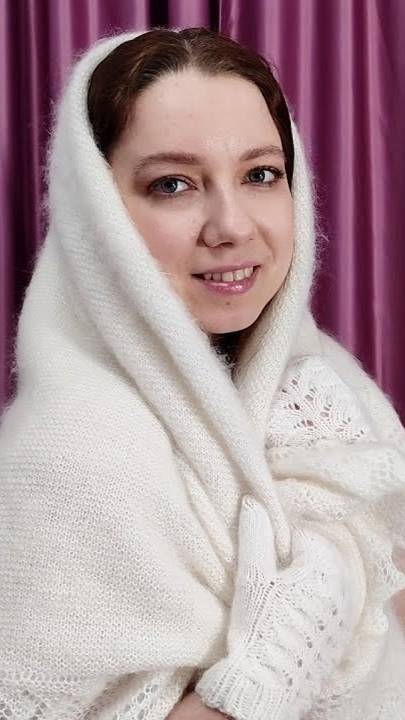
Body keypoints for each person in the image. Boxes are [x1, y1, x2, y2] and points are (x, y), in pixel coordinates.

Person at [0, 26, 404, 720]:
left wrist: (346, 553)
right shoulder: (65, 458)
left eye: (260, 174)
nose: (231, 226)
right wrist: (279, 659)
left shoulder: (323, 384)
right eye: (173, 184)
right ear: (98, 213)